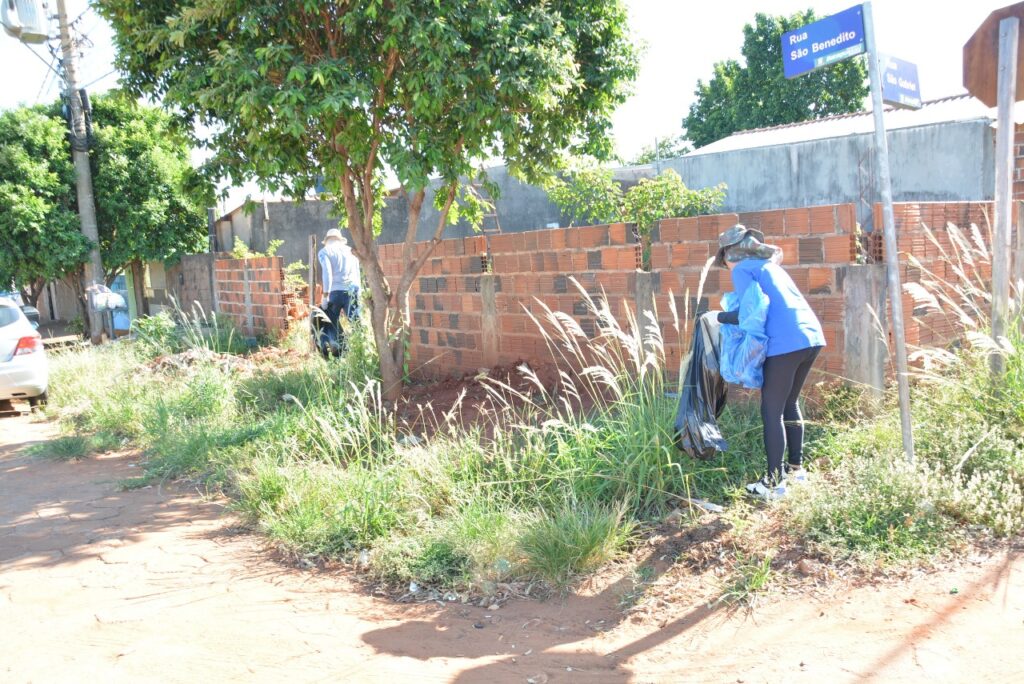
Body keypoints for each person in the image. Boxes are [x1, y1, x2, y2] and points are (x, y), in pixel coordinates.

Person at [714, 224, 826, 500]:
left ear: (730, 255)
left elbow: (750, 315)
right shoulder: (770, 267)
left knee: (771, 411)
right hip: (810, 336)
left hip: (784, 342)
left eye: (724, 262)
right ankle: (795, 470)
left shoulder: (741, 269)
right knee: (790, 403)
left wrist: (718, 317)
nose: (726, 267)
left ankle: (773, 483)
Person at [317, 228, 361, 334]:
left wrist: (325, 296)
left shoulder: (325, 251)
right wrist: (359, 293)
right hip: (352, 289)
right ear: (340, 239)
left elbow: (327, 273)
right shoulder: (350, 251)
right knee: (356, 325)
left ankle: (339, 348)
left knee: (332, 326)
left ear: (327, 240)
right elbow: (357, 273)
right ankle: (361, 348)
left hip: (335, 291)